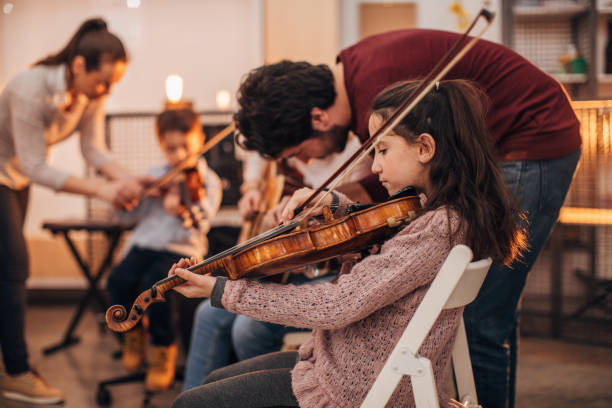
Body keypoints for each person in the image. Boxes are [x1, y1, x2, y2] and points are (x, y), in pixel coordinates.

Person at [233, 29, 582, 408]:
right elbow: (392, 187)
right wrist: (334, 203)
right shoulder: (354, 73)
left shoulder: (378, 87)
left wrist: (334, 204)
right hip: (513, 142)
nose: (308, 163)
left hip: (533, 138)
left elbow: (396, 182)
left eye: (301, 152)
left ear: (318, 117)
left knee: (485, 318)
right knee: (483, 314)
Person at [168, 79, 526, 408]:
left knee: (192, 403)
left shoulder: (438, 228)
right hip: (343, 365)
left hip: (353, 387)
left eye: (383, 150)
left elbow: (337, 304)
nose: (374, 165)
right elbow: (381, 236)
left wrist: (224, 291)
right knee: (215, 381)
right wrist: (334, 205)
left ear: (425, 148)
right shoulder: (436, 213)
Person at [0, 18, 146, 405]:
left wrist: (130, 181)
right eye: (103, 81)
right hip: (5, 174)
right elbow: (34, 165)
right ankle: (15, 372)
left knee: (6, 269)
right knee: (14, 268)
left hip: (14, 179)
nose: (107, 91)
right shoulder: (29, 88)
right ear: (79, 65)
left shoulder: (89, 95)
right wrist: (103, 188)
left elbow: (94, 151)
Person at [182, 138, 370, 391]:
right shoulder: (284, 148)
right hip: (293, 270)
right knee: (206, 314)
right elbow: (259, 155)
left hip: (329, 273)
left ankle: (262, 393)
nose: (301, 161)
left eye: (298, 149)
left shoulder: (358, 155)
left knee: (247, 329)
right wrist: (253, 191)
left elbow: (358, 213)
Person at [106, 107, 222, 392]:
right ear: (160, 145)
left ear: (199, 138)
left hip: (180, 249)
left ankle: (162, 349)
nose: (179, 155)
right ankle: (133, 334)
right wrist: (136, 194)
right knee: (117, 280)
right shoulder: (154, 175)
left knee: (156, 289)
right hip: (144, 244)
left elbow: (201, 224)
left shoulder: (207, 181)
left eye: (185, 146)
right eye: (171, 149)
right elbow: (125, 218)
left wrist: (181, 208)